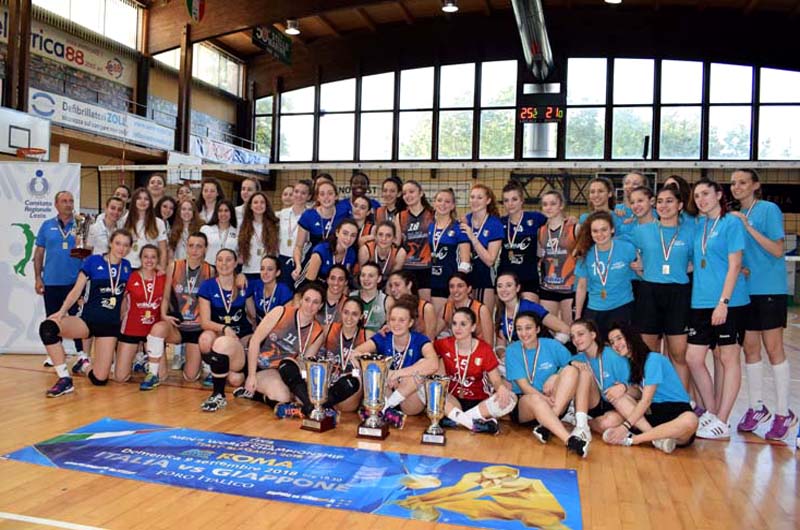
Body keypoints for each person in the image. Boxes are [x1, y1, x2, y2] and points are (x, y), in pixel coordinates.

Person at [730, 169, 795, 438]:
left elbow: (778, 249)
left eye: (742, 182)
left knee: (774, 349)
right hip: (746, 292)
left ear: (755, 185)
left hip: (769, 290)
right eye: (733, 183)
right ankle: (756, 408)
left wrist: (748, 227)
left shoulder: (768, 210)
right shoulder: (735, 215)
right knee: (750, 350)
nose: (737, 187)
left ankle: (783, 412)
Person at [686, 179, 749, 440]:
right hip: (700, 302)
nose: (701, 199)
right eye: (697, 196)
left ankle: (723, 421)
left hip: (728, 302)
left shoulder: (731, 223)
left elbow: (735, 265)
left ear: (719, 195)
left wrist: (723, 302)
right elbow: (697, 262)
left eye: (706, 194)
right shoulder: (699, 226)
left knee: (728, 358)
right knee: (693, 358)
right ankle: (712, 412)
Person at [38, 230, 133, 396]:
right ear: (110, 243)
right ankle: (64, 379)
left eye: (126, 245)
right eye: (118, 243)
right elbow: (76, 290)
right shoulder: (93, 261)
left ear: (130, 248)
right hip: (87, 322)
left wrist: (124, 320)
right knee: (48, 328)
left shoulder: (127, 267)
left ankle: (84, 364)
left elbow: (125, 298)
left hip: (109, 327)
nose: (121, 248)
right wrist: (61, 312)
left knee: (99, 379)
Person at [629, 185, 694, 390]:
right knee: (648, 353)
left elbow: (697, 262)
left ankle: (681, 401)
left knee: (678, 354)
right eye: (660, 201)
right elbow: (626, 253)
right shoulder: (641, 231)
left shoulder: (689, 232)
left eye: (669, 201)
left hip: (678, 294)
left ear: (680, 205)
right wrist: (640, 267)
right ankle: (651, 400)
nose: (664, 206)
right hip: (649, 293)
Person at [601, 324, 698, 453]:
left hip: (676, 413)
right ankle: (657, 439)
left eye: (619, 338)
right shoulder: (631, 364)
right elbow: (639, 394)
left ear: (631, 337)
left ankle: (634, 440)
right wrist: (623, 388)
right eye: (612, 342)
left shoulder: (653, 359)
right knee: (618, 397)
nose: (616, 345)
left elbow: (646, 400)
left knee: (691, 420)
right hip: (653, 414)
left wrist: (624, 427)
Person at [237, 282, 325, 416]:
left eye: (315, 302)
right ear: (301, 300)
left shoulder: (317, 332)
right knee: (283, 396)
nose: (310, 305)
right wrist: (251, 375)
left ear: (320, 306)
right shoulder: (281, 312)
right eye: (307, 300)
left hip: (284, 371)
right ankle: (251, 391)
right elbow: (255, 340)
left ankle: (260, 395)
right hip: (261, 365)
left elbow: (304, 363)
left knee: (300, 398)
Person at [505, 312, 584, 457]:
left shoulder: (552, 345)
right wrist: (543, 398)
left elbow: (572, 363)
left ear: (537, 329)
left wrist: (556, 375)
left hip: (555, 404)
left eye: (528, 328)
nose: (524, 333)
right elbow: (524, 387)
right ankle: (569, 440)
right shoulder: (512, 350)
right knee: (535, 399)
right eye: (519, 329)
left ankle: (547, 426)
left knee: (571, 370)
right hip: (526, 405)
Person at [352, 297, 438, 427]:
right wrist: (385, 373)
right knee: (375, 366)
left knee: (419, 369)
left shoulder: (420, 339)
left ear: (410, 322)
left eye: (402, 320)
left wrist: (397, 374)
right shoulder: (383, 337)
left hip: (409, 401)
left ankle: (384, 409)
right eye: (393, 319)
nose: (396, 324)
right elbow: (356, 353)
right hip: (386, 391)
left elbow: (433, 364)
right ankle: (385, 410)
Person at [144, 232, 214, 388]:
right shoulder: (174, 266)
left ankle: (202, 362)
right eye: (191, 246)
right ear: (186, 247)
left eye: (199, 246)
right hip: (177, 325)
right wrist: (164, 315)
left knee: (190, 377)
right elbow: (166, 296)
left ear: (205, 249)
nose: (194, 250)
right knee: (157, 329)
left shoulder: (210, 270)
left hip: (197, 328)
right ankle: (152, 373)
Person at [434, 307, 516, 434]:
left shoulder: (484, 349)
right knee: (432, 390)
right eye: (454, 323)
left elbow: (495, 380)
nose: (457, 328)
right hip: (453, 400)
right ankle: (473, 423)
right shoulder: (444, 344)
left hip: (479, 402)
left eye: (463, 324)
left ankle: (456, 420)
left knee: (511, 398)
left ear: (472, 327)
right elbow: (425, 350)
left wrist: (500, 388)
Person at [34, 191, 88, 368]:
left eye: (71, 201)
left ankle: (81, 355)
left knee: (77, 319)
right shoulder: (46, 225)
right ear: (56, 204)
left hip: (74, 283)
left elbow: (85, 253)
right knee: (53, 318)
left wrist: (81, 246)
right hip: (51, 282)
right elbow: (39, 252)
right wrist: (38, 278)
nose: (68, 204)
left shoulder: (80, 224)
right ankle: (54, 354)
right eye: (64, 201)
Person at [196, 248, 254, 411]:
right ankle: (217, 388)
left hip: (240, 336)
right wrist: (225, 328)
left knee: (236, 380)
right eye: (220, 260)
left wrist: (252, 339)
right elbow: (205, 322)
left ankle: (224, 371)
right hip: (219, 334)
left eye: (229, 260)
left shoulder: (244, 284)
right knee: (205, 339)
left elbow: (252, 316)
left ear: (235, 263)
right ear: (215, 263)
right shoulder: (207, 286)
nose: (224, 263)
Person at [573, 211, 637, 339]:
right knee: (597, 347)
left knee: (622, 347)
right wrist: (578, 315)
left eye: (604, 230)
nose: (600, 235)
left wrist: (640, 267)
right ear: (590, 233)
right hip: (595, 309)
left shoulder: (627, 248)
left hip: (622, 307)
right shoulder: (585, 253)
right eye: (595, 231)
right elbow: (581, 286)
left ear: (612, 229)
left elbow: (640, 274)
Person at [569, 319, 631, 444]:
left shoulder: (613, 356)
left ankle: (577, 421)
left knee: (608, 423)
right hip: (593, 402)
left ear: (593, 335)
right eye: (573, 336)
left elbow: (634, 388)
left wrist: (623, 387)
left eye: (580, 334)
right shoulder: (578, 358)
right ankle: (581, 426)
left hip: (615, 403)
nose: (576, 339)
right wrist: (571, 363)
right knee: (584, 372)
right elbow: (563, 369)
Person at [312, 297, 372, 413]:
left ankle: (318, 407)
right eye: (346, 312)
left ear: (361, 316)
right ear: (341, 312)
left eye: (354, 314)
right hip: (327, 384)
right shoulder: (328, 329)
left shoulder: (368, 336)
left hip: (348, 390)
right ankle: (321, 407)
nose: (349, 318)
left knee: (354, 382)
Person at [117, 245, 167, 384]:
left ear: (158, 260)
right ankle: (137, 359)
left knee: (162, 376)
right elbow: (121, 300)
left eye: (153, 257)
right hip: (131, 329)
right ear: (140, 258)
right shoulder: (131, 276)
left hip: (153, 332)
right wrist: (120, 319)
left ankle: (147, 361)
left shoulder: (163, 278)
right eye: (146, 257)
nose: (149, 260)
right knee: (120, 377)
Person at [499, 181, 547, 302]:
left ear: (522, 200)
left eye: (514, 199)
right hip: (505, 278)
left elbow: (556, 221)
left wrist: (570, 219)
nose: (510, 204)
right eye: (506, 200)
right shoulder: (500, 222)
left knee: (528, 312)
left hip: (529, 277)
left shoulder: (535, 218)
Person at [495, 272, 570, 348]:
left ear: (517, 288)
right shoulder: (500, 312)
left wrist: (549, 349)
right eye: (499, 286)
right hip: (521, 354)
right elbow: (500, 344)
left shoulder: (530, 307)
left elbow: (565, 329)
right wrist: (502, 353)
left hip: (541, 352)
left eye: (508, 285)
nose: (503, 290)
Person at [461, 184, 504, 316]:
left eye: (479, 197)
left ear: (488, 200)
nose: (475, 201)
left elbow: (490, 260)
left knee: (483, 318)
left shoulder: (494, 224)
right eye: (472, 197)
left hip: (485, 278)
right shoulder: (464, 220)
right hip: (465, 277)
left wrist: (472, 236)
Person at [537, 190, 578, 326]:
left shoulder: (574, 228)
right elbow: (540, 256)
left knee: (571, 329)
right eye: (545, 204)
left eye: (553, 204)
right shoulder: (540, 231)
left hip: (569, 287)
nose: (548, 207)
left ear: (561, 205)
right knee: (549, 329)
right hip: (548, 287)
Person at [429, 188, 470, 319]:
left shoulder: (459, 228)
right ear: (434, 203)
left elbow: (465, 262)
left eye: (447, 202)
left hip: (448, 283)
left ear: (453, 206)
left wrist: (456, 288)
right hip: (429, 282)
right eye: (439, 200)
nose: (443, 204)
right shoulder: (429, 227)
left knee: (444, 321)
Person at [395, 180, 434, 301]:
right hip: (407, 266)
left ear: (421, 193)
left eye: (411, 192)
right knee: (407, 304)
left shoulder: (433, 214)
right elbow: (397, 242)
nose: (408, 195)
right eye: (404, 193)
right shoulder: (400, 216)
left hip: (426, 266)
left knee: (425, 305)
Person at [293, 178, 341, 272]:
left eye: (330, 193)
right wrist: (298, 265)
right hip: (312, 263)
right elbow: (298, 246)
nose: (326, 197)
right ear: (318, 197)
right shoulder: (309, 215)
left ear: (336, 196)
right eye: (322, 194)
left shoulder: (342, 214)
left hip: (335, 263)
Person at [295, 219, 358, 286]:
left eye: (353, 235)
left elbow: (345, 280)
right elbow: (309, 283)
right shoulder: (321, 250)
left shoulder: (351, 253)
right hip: (310, 286)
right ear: (337, 233)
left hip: (333, 288)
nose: (348, 239)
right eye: (345, 233)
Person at [439, 272, 494, 342]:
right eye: (452, 286)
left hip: (478, 347)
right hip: (457, 346)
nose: (455, 290)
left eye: (460, 286)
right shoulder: (447, 308)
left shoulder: (481, 309)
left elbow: (489, 343)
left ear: (469, 289)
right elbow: (433, 333)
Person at [122, 188, 168, 271]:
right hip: (127, 265)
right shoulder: (124, 220)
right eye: (139, 198)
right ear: (134, 201)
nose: (142, 201)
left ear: (150, 202)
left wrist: (162, 268)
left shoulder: (158, 223)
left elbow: (163, 249)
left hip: (149, 267)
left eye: (146, 199)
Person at [238, 191, 279, 281]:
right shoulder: (243, 226)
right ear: (250, 206)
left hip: (268, 273)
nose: (259, 205)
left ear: (266, 205)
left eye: (262, 202)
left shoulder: (274, 225)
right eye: (255, 202)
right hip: (248, 272)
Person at [385, 270, 437, 340]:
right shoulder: (392, 306)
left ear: (409, 285)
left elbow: (430, 339)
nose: (393, 289)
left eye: (397, 285)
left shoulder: (426, 308)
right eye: (391, 286)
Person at [277, 180, 311, 284]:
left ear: (309, 196)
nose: (299, 195)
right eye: (296, 192)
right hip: (281, 260)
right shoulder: (282, 214)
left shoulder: (311, 215)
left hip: (301, 261)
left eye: (303, 193)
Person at [358, 221, 405, 290]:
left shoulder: (399, 253)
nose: (384, 239)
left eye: (388, 235)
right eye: (380, 234)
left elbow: (393, 279)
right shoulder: (365, 250)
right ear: (375, 236)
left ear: (394, 238)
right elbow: (363, 276)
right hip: (367, 283)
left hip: (387, 285)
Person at [246, 255, 293, 324]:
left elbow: (287, 319)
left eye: (270, 269)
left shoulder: (284, 290)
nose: (265, 272)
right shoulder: (256, 285)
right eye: (262, 269)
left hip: (278, 328)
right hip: (259, 328)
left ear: (277, 273)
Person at [350, 262, 389, 333]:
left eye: (371, 276)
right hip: (354, 338)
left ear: (379, 279)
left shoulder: (387, 301)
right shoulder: (351, 297)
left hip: (376, 339)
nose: (366, 279)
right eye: (363, 275)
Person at [200, 199, 238, 265]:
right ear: (216, 213)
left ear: (231, 213)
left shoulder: (237, 231)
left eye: (226, 210)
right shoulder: (205, 229)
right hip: (208, 266)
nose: (223, 214)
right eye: (220, 211)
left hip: (228, 268)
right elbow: (200, 250)